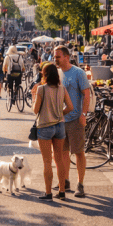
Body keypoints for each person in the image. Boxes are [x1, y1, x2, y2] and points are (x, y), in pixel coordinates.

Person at [32, 61, 74, 201]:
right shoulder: (61, 88)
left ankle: (48, 193)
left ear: (45, 75)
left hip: (44, 126)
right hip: (59, 126)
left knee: (47, 161)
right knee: (60, 160)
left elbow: (35, 110)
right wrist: (60, 113)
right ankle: (62, 191)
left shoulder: (41, 89)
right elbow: (70, 107)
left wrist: (34, 98)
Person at [54, 45, 91, 198]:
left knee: (79, 152)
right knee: (63, 153)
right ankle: (66, 180)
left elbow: (86, 95)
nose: (55, 59)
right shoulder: (57, 73)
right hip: (61, 119)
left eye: (57, 57)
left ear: (66, 57)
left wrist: (83, 114)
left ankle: (80, 184)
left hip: (75, 119)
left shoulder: (78, 73)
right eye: (54, 56)